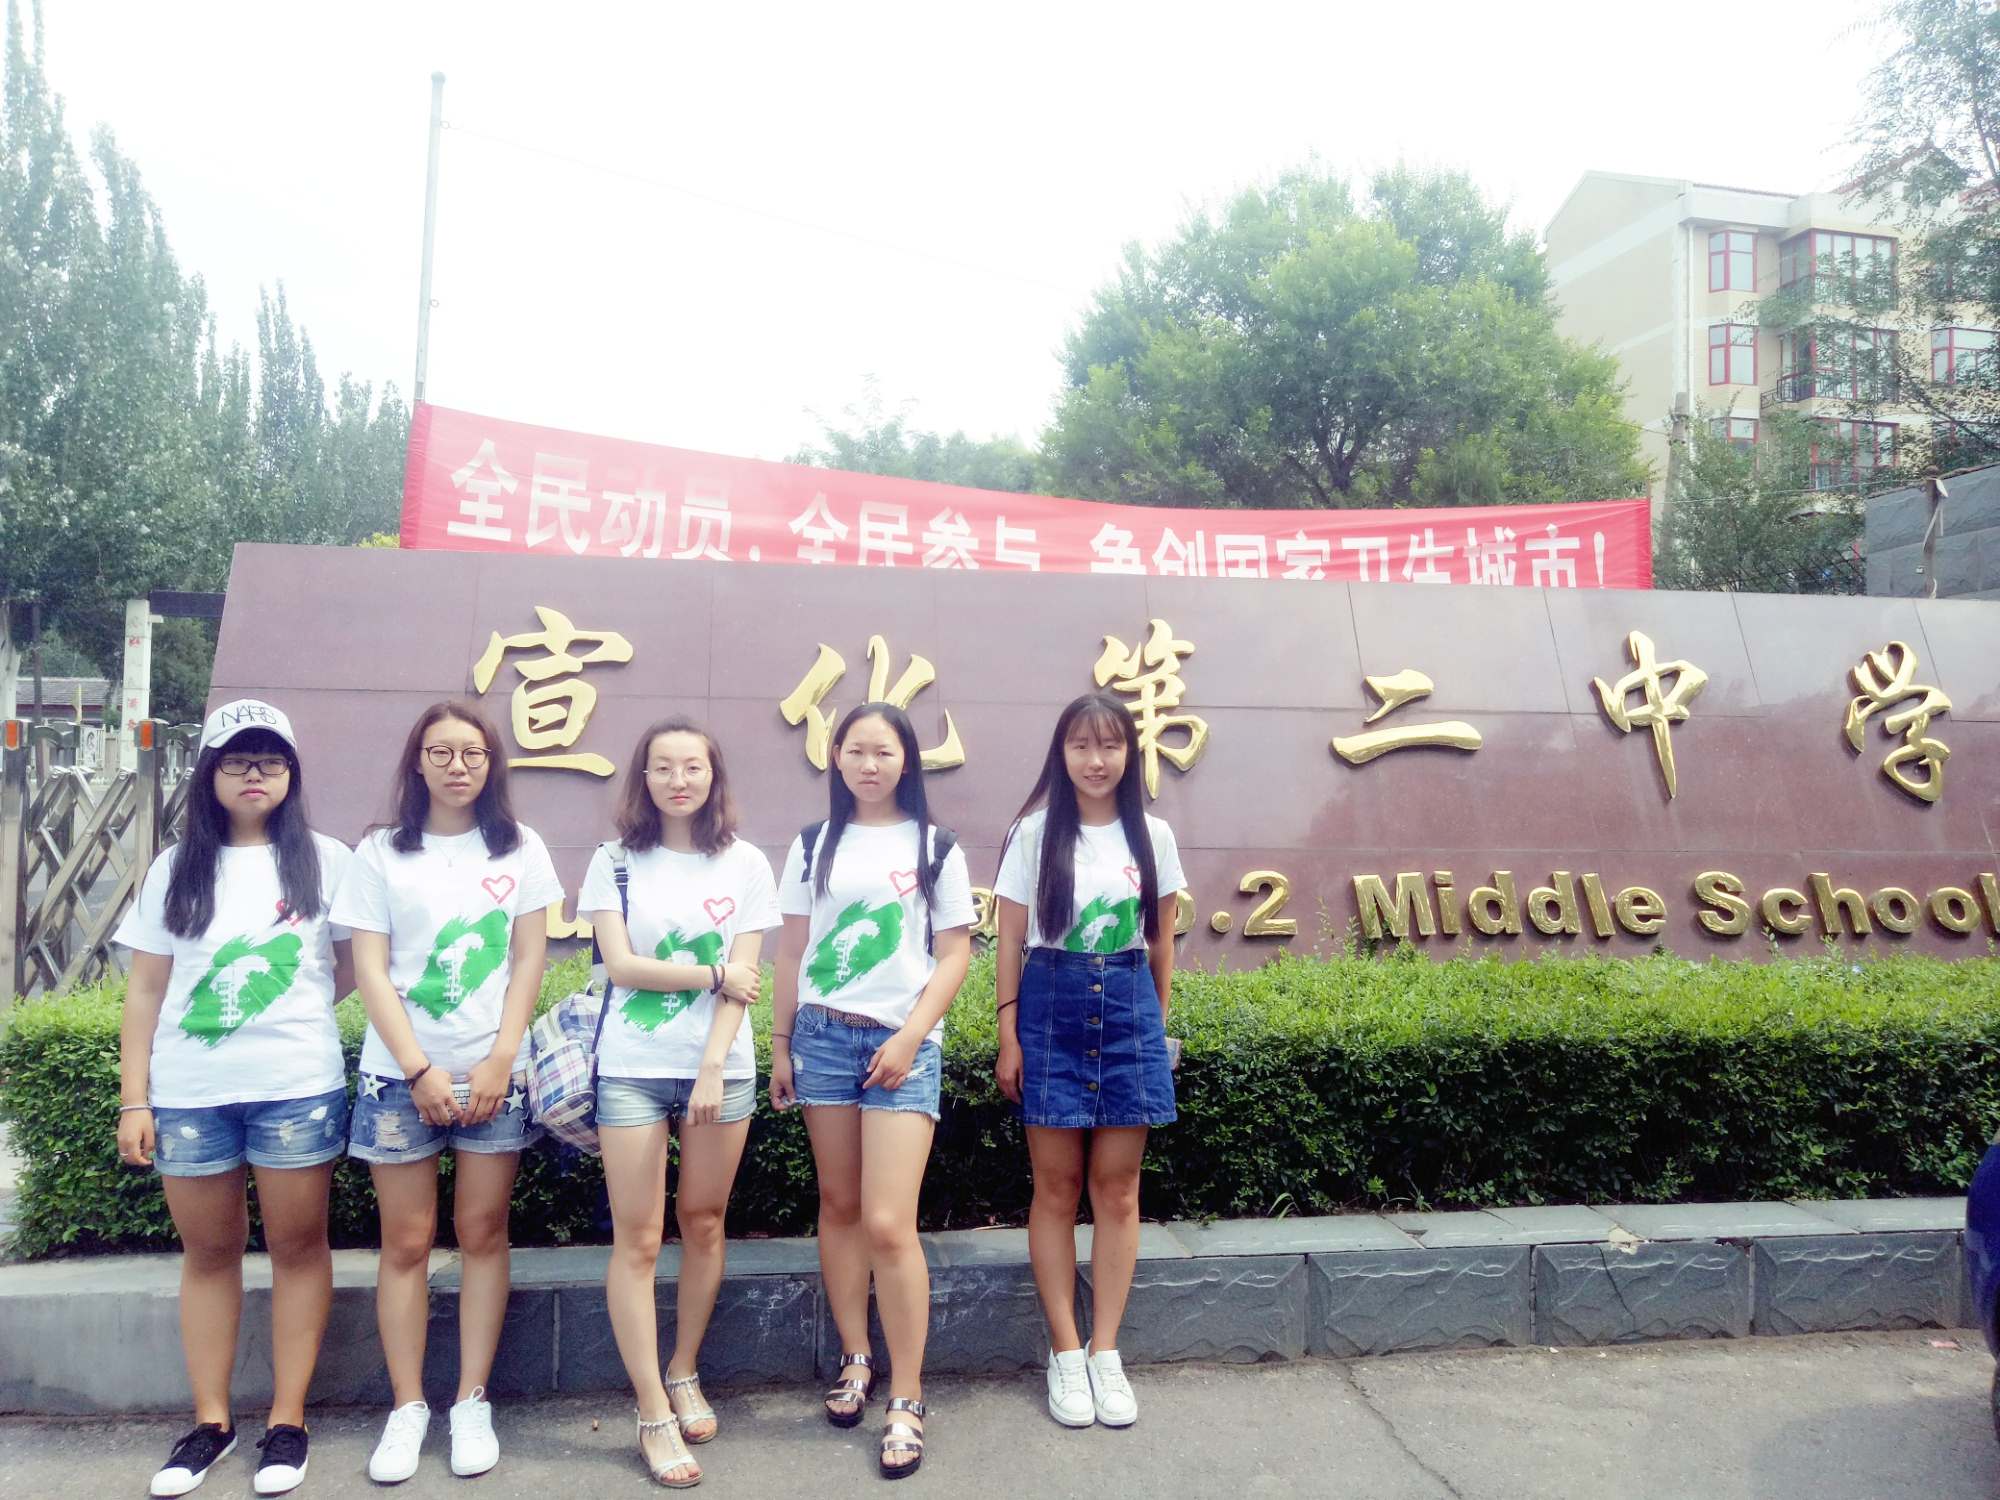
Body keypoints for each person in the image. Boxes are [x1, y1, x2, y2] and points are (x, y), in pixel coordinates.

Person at [115, 699, 353, 1497]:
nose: (256, 774)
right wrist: (135, 1099)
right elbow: (146, 991)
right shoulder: (173, 867)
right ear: (209, 775)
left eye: (271, 760)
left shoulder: (326, 860)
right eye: (238, 760)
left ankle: (288, 1421)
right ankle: (211, 1424)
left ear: (292, 773)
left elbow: (353, 966)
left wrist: (293, 1013)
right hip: (191, 1095)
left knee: (298, 1249)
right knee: (210, 1254)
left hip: (296, 1088)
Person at [331, 701, 562, 1484]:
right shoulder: (381, 852)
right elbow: (370, 969)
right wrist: (418, 1070)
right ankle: (407, 1407)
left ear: (492, 763)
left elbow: (527, 961)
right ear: (418, 761)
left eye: (472, 752)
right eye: (441, 752)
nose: (457, 765)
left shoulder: (520, 847)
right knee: (405, 1242)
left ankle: (470, 1400)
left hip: (493, 1075)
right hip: (401, 1079)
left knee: (483, 1233)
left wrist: (501, 1058)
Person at [769, 702, 974, 1479]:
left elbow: (954, 954)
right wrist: (780, 1044)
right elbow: (792, 950)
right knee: (840, 1205)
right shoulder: (813, 843)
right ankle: (856, 1357)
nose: (869, 764)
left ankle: (908, 1394)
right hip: (823, 1038)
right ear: (836, 757)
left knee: (889, 1223)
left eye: (883, 751)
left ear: (906, 760)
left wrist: (912, 1035)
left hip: (902, 1047)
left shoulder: (935, 846)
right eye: (856, 750)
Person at [581, 718, 779, 1488]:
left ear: (713, 775)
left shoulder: (747, 863)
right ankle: (652, 1410)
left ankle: (685, 1368)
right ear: (644, 777)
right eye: (662, 767)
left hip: (719, 1071)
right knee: (637, 1239)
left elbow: (748, 981)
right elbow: (622, 966)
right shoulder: (613, 861)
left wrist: (710, 1065)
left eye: (692, 766)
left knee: (702, 1222)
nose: (678, 780)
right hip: (630, 1068)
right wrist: (711, 974)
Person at [992, 692, 1183, 1429]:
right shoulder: (1034, 834)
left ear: (1129, 753)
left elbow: (1161, 942)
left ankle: (1106, 1351)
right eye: (1080, 745)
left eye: (1109, 745)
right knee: (1056, 1187)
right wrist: (1009, 1033)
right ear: (1061, 753)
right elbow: (1010, 941)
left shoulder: (1154, 836)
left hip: (1129, 1004)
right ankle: (1065, 1352)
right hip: (1050, 1003)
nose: (1095, 760)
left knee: (1118, 1189)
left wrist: (1154, 1028)